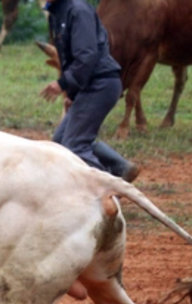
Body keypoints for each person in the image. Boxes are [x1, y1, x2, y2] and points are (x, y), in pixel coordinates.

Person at [40, 0, 139, 181]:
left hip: (100, 85)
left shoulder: (77, 10)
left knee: (74, 146)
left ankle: (107, 187)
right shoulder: (58, 12)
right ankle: (120, 167)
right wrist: (72, 94)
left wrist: (62, 84)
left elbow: (86, 55)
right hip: (88, 85)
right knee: (60, 143)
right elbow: (71, 58)